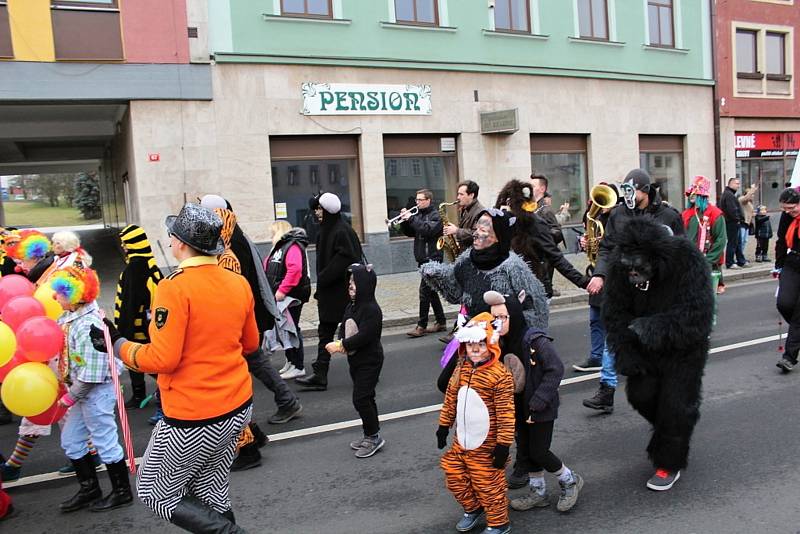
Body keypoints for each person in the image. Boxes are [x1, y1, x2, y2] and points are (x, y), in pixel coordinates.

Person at [91, 203, 255, 532]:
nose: (169, 242)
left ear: (179, 242)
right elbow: (250, 344)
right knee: (212, 492)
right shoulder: (237, 282)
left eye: (171, 236)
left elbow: (162, 359)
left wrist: (118, 342)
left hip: (193, 414)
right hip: (238, 406)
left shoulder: (173, 287)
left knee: (155, 492)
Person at [602, 218, 712, 491]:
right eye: (629, 268)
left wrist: (649, 327)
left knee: (675, 407)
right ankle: (672, 430)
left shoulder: (687, 260)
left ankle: (668, 463)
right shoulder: (621, 268)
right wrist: (623, 351)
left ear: (656, 258)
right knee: (640, 395)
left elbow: (698, 317)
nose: (633, 274)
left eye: (640, 268)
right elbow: (613, 314)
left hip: (684, 349)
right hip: (642, 346)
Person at [583, 169, 684, 413]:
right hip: (624, 287)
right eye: (626, 190)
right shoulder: (618, 214)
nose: (628, 195)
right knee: (613, 336)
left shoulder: (668, 216)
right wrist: (599, 274)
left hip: (654, 290)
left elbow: (682, 251)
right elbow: (607, 248)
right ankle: (606, 390)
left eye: (633, 190)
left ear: (645, 190)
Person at [214, 208, 300, 471]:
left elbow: (234, 288)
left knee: (234, 381)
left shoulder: (229, 251)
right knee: (250, 368)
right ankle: (259, 428)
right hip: (245, 318)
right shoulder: (231, 242)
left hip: (240, 321)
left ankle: (252, 439)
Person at [50, 266, 133, 513]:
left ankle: (122, 492)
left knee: (104, 440)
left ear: (76, 295)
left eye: (61, 293)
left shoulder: (89, 325)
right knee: (72, 440)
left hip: (96, 391)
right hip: (81, 391)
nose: (55, 297)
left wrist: (68, 398)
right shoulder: (70, 318)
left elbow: (93, 373)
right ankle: (90, 489)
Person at [437, 313, 514, 534]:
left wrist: (503, 445)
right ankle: (473, 508)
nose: (475, 349)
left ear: (490, 345)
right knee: (454, 476)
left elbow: (506, 414)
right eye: (470, 345)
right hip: (461, 441)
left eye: (480, 344)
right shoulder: (461, 369)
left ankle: (499, 522)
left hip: (486, 445)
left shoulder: (499, 376)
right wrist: (444, 426)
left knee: (488, 484)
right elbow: (451, 398)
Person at [422, 208, 550, 331]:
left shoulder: (513, 266)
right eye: (476, 228)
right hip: (475, 333)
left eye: (482, 230)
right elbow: (455, 292)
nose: (475, 233)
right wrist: (435, 274)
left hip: (504, 334)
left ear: (498, 237)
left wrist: (529, 335)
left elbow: (536, 303)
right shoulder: (467, 258)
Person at [297, 192, 364, 392]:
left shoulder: (341, 230)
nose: (317, 213)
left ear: (326, 211)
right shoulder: (327, 229)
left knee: (352, 333)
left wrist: (325, 276)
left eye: (319, 209)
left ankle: (364, 370)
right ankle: (320, 373)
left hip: (342, 293)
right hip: (329, 293)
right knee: (325, 332)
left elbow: (347, 258)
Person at [325, 264, 385, 458]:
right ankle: (370, 433)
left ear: (366, 286)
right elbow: (345, 326)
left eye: (355, 282)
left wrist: (342, 345)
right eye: (349, 282)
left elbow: (365, 336)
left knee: (360, 398)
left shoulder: (371, 310)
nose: (350, 285)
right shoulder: (351, 306)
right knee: (366, 397)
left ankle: (373, 437)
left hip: (370, 361)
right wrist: (340, 339)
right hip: (356, 361)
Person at [494, 179, 588, 299]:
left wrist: (583, 282)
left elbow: (556, 257)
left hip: (533, 288)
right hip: (508, 290)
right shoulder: (501, 223)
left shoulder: (534, 222)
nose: (505, 209)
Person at [114, 225, 163, 411]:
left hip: (137, 328)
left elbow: (129, 304)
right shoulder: (151, 265)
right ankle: (143, 393)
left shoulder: (134, 270)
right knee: (143, 360)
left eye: (125, 244)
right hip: (150, 325)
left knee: (137, 360)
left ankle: (142, 393)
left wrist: (121, 333)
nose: (123, 248)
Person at [265, 220, 311, 379]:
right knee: (285, 330)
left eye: (272, 232)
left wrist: (282, 291)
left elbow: (295, 270)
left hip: (291, 296)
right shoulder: (281, 247)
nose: (270, 235)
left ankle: (298, 365)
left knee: (291, 330)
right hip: (284, 295)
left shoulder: (291, 246)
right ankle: (291, 362)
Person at [399, 189, 447, 338]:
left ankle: (421, 325)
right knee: (431, 293)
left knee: (424, 293)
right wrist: (405, 220)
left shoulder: (436, 216)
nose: (417, 203)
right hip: (423, 259)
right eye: (417, 200)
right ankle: (441, 322)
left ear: (428, 200)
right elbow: (411, 232)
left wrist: (412, 219)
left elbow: (427, 230)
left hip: (432, 259)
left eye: (420, 200)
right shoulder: (418, 215)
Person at [681, 175, 727, 324]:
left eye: (695, 194)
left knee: (706, 296)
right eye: (690, 194)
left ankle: (706, 323)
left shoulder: (715, 214)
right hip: (689, 262)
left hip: (708, 261)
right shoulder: (686, 214)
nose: (692, 196)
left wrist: (708, 260)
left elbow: (720, 240)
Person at [774, 188, 800, 373]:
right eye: (785, 209)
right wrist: (779, 266)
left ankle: (789, 357)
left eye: (792, 208)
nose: (788, 212)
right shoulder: (787, 216)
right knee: (784, 303)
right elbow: (781, 240)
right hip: (793, 261)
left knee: (799, 314)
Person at [443, 180, 485, 252]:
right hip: (465, 253)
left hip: (473, 255)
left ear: (471, 195)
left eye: (461, 194)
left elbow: (478, 235)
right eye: (458, 194)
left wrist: (456, 230)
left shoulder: (481, 212)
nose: (458, 197)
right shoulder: (465, 209)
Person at [720, 178, 747, 269]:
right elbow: (732, 209)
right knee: (733, 242)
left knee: (737, 242)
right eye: (736, 183)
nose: (738, 186)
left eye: (739, 184)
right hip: (731, 222)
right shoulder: (729, 195)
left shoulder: (730, 194)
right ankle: (730, 262)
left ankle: (741, 261)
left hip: (733, 221)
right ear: (730, 184)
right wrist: (737, 219)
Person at [739, 183, 757, 260]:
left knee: (745, 241)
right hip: (742, 223)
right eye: (751, 195)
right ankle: (739, 256)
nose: (752, 196)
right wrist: (752, 189)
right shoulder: (742, 200)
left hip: (747, 223)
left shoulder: (749, 202)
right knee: (741, 240)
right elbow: (746, 198)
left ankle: (741, 255)